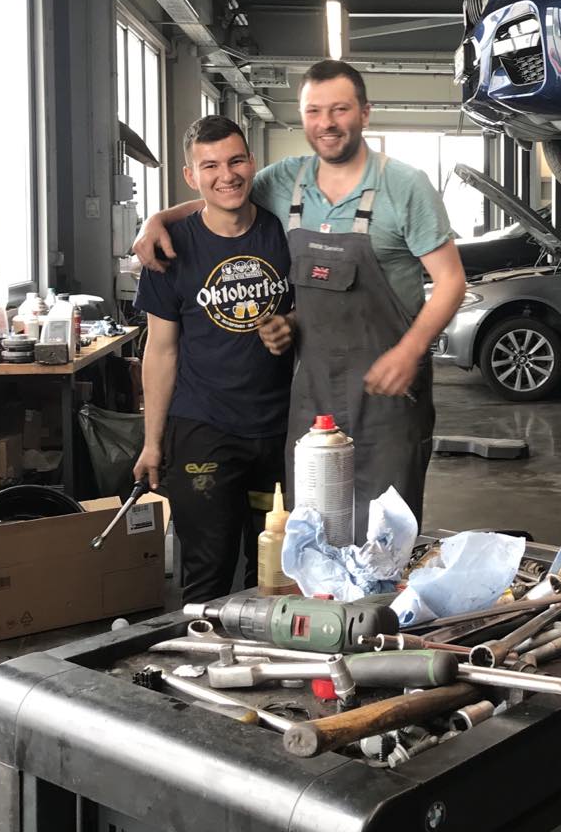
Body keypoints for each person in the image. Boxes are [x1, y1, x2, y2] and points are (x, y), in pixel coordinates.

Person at [134, 59, 467, 532]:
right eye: (314, 111)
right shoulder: (286, 181)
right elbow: (223, 194)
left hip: (387, 395)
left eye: (339, 109)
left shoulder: (404, 186)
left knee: (386, 533)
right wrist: (158, 220)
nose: (326, 123)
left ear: (364, 113)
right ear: (303, 118)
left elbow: (452, 282)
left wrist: (409, 352)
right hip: (313, 398)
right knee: (313, 533)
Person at [132, 115, 295, 603]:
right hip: (204, 429)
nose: (227, 175)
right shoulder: (170, 249)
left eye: (235, 161)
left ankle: (266, 651)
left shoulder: (285, 232)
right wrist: (152, 442)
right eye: (210, 166)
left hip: (280, 429)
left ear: (253, 163)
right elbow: (161, 350)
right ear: (191, 176)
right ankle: (203, 649)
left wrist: (293, 322)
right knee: (208, 572)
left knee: (277, 571)